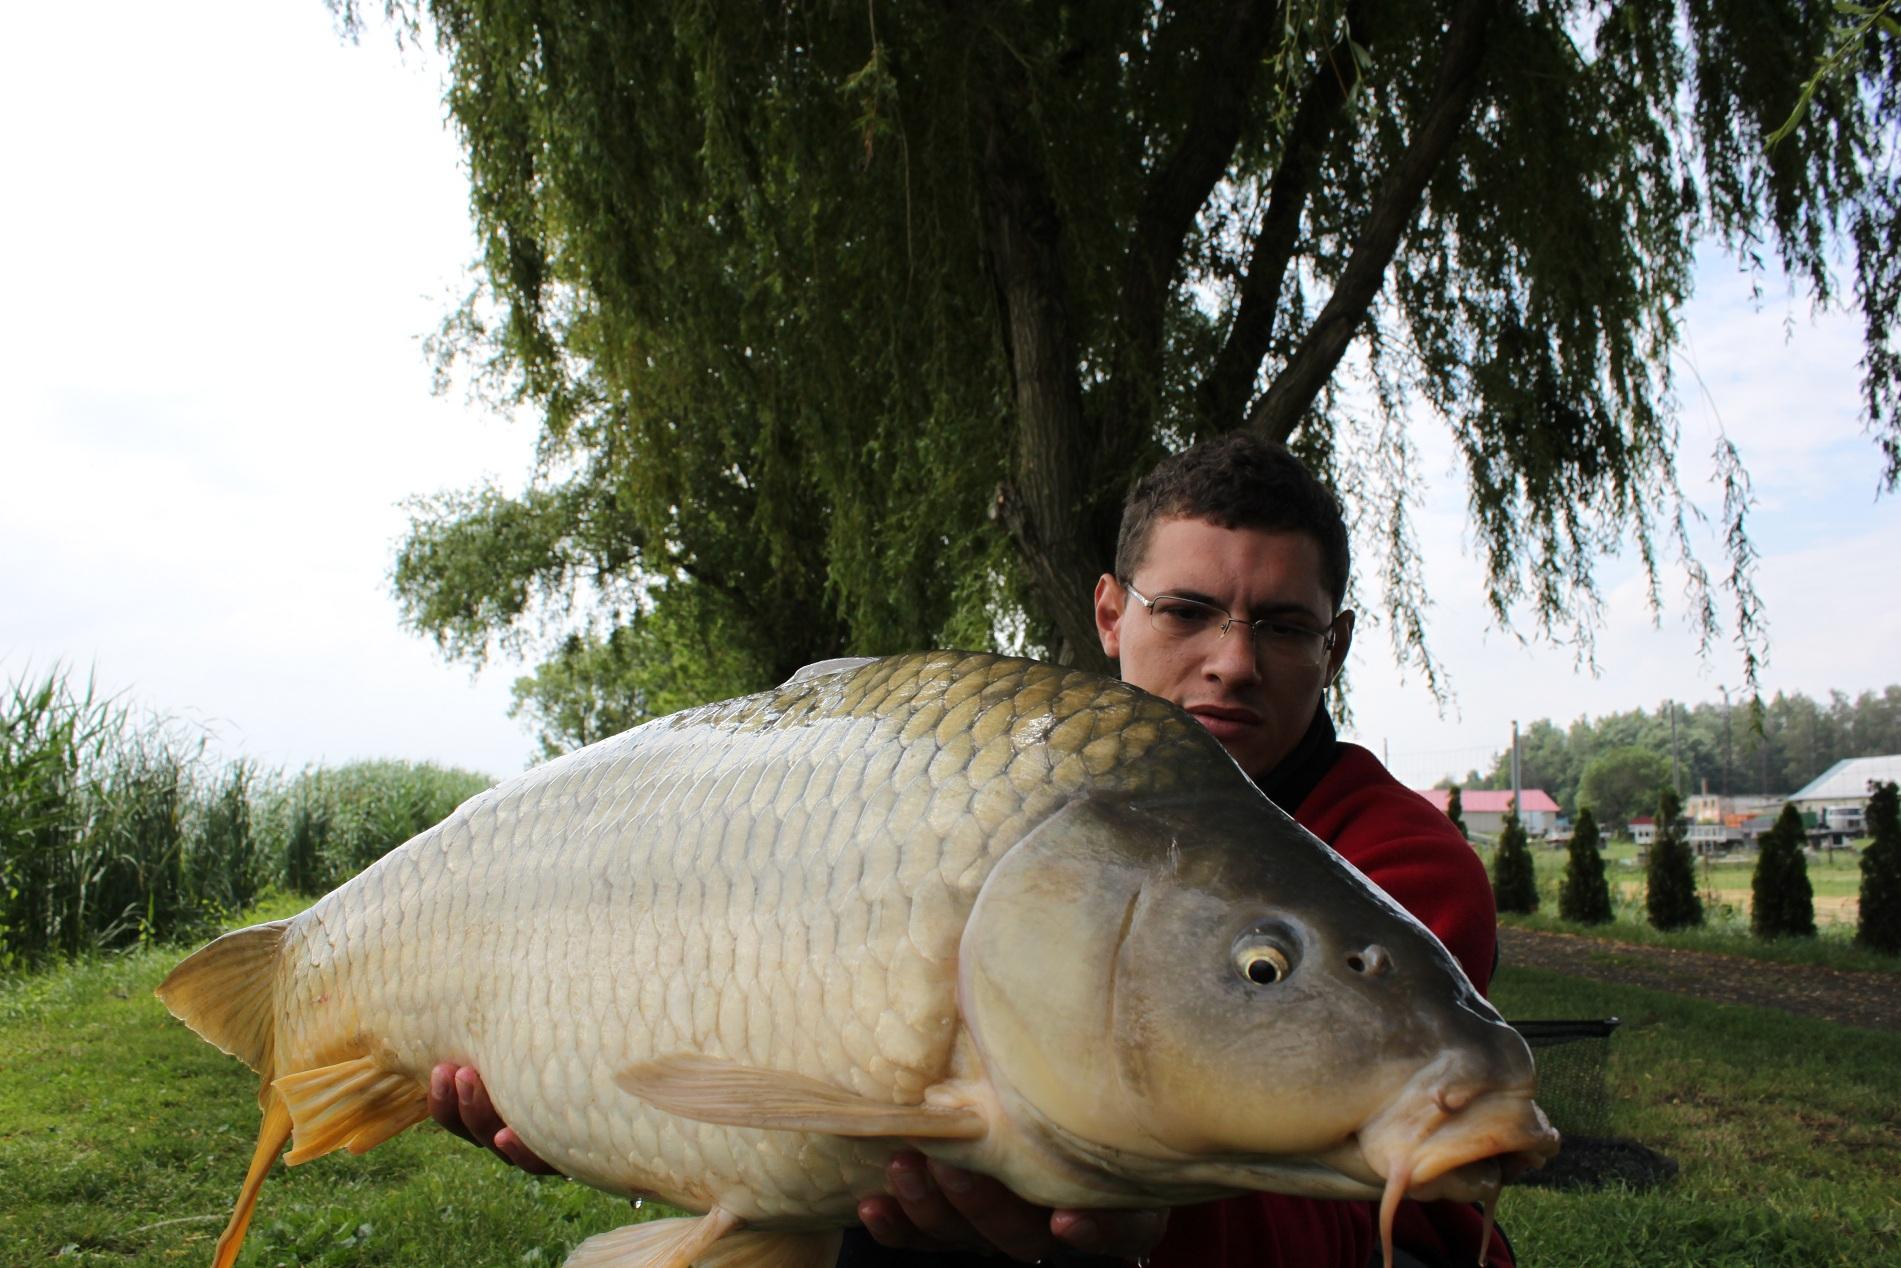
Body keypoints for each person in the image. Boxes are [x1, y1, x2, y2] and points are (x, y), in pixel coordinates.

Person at [432, 433, 1511, 1267]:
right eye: (1186, 610)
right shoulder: (990, 783)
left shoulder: (1396, 861)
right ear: (1108, 612)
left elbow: (1384, 1222)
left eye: (1281, 625)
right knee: (899, 1205)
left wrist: (1125, 1228)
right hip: (901, 1200)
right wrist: (605, 1112)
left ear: (1336, 642)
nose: (1231, 661)